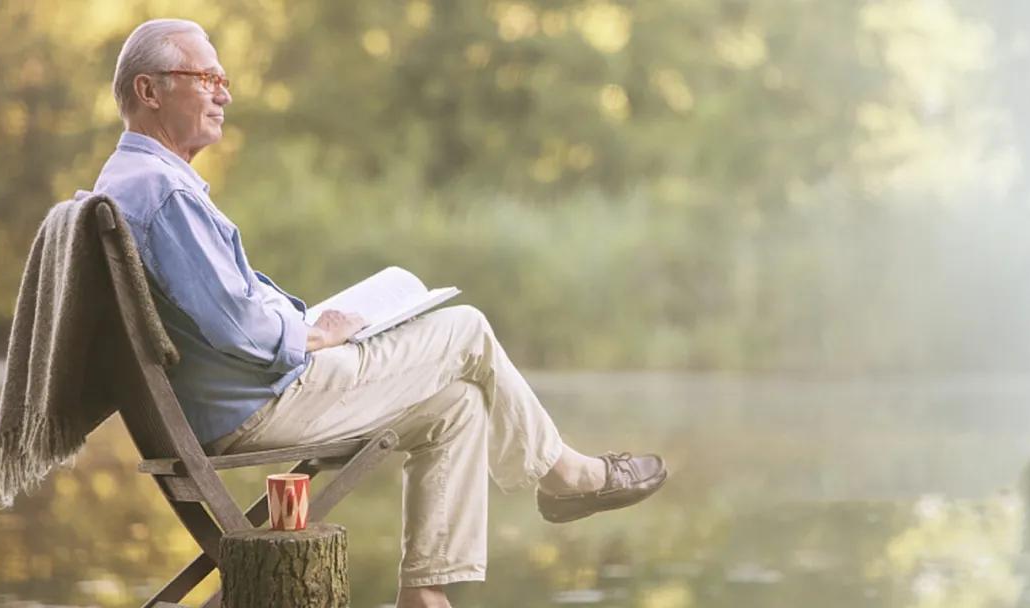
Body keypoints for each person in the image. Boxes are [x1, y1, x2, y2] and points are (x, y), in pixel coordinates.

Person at [93, 18, 667, 608]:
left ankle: (424, 594)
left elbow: (225, 312)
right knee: (465, 329)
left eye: (223, 78)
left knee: (457, 404)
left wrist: (310, 324)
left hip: (230, 396)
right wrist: (314, 334)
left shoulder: (133, 181)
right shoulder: (163, 194)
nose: (224, 93)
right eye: (206, 77)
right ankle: (567, 476)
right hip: (254, 404)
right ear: (149, 91)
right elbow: (238, 325)